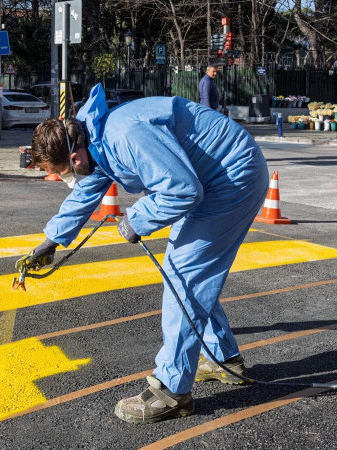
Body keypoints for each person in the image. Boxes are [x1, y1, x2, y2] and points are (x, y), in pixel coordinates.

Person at [17, 83, 269, 424]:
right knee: (186, 274)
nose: (64, 179)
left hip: (232, 178)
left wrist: (136, 219)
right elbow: (87, 189)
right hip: (213, 180)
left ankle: (171, 391)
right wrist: (50, 241)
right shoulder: (94, 138)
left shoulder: (126, 134)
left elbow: (181, 190)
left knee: (184, 278)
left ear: (74, 158)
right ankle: (224, 359)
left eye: (61, 173)